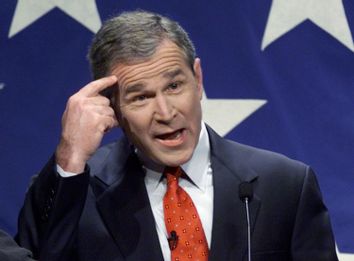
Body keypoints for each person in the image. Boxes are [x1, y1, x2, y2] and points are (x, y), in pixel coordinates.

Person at [16, 10, 338, 261]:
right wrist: (70, 156)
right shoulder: (77, 193)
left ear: (197, 79)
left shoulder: (286, 186)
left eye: (174, 86)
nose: (167, 112)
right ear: (111, 105)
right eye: (141, 97)